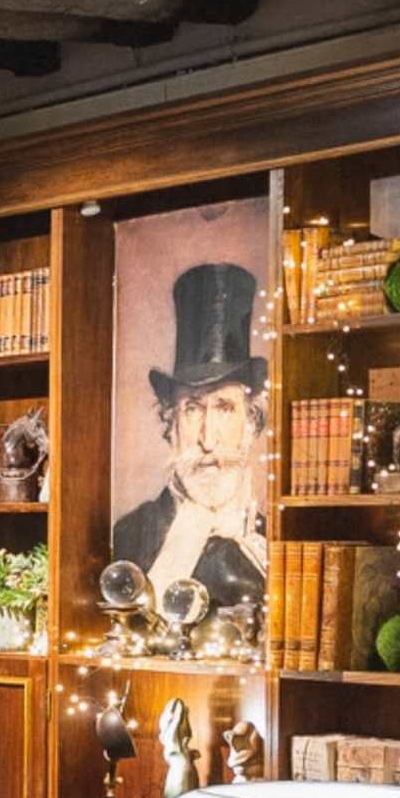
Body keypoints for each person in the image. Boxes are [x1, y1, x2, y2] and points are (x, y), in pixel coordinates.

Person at [111, 259, 269, 613]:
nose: (207, 440)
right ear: (171, 423)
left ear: (251, 423)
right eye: (193, 409)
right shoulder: (129, 536)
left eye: (225, 408)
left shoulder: (272, 540)